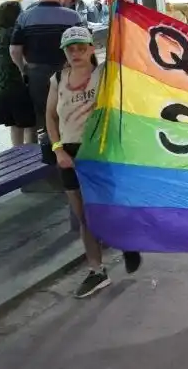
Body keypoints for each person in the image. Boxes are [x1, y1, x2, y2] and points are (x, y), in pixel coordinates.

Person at [47, 26, 142, 297]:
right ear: (64, 52)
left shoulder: (105, 74)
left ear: (91, 48)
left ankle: (125, 241)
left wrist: (122, 6)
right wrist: (58, 150)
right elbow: (50, 118)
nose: (76, 53)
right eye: (70, 49)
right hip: (69, 152)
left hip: (100, 151)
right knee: (83, 215)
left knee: (106, 207)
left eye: (81, 47)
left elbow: (126, 51)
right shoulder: (57, 79)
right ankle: (97, 271)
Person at [10, 0, 82, 146]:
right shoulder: (72, 17)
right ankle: (68, 149)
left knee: (42, 114)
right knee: (69, 112)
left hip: (36, 74)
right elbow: (85, 45)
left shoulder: (24, 17)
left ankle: (46, 154)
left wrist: (23, 69)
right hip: (67, 72)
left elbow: (14, 50)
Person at [0, 0, 35, 143]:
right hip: (13, 81)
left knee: (14, 123)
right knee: (28, 122)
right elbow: (15, 52)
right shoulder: (15, 31)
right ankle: (31, 155)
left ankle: (17, 152)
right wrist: (24, 70)